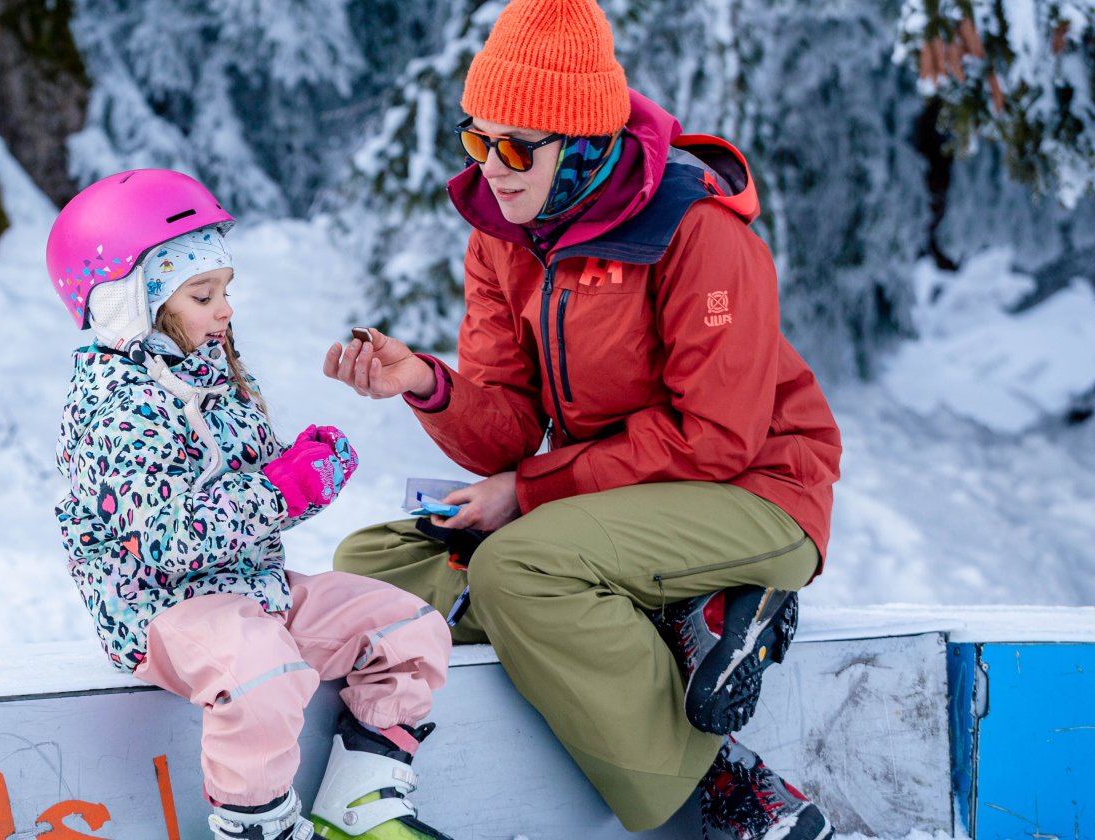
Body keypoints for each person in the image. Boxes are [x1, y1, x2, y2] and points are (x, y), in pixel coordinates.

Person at [321, 1, 843, 838]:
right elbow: (507, 431)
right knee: (377, 567)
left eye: (516, 146)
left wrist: (527, 495)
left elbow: (719, 438)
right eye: (475, 138)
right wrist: (426, 383)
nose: (490, 166)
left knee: (517, 569)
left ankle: (728, 793)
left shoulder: (696, 229)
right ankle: (690, 618)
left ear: (586, 140)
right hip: (615, 503)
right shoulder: (505, 236)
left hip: (758, 492)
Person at [47, 169, 456, 840]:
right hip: (163, 609)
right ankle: (258, 826)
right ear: (128, 305)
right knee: (266, 672)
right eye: (202, 294)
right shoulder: (112, 411)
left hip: (249, 587)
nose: (225, 309)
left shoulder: (210, 369)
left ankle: (364, 798)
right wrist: (276, 489)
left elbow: (252, 497)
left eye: (225, 290)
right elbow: (165, 540)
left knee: (408, 627)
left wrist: (301, 471)